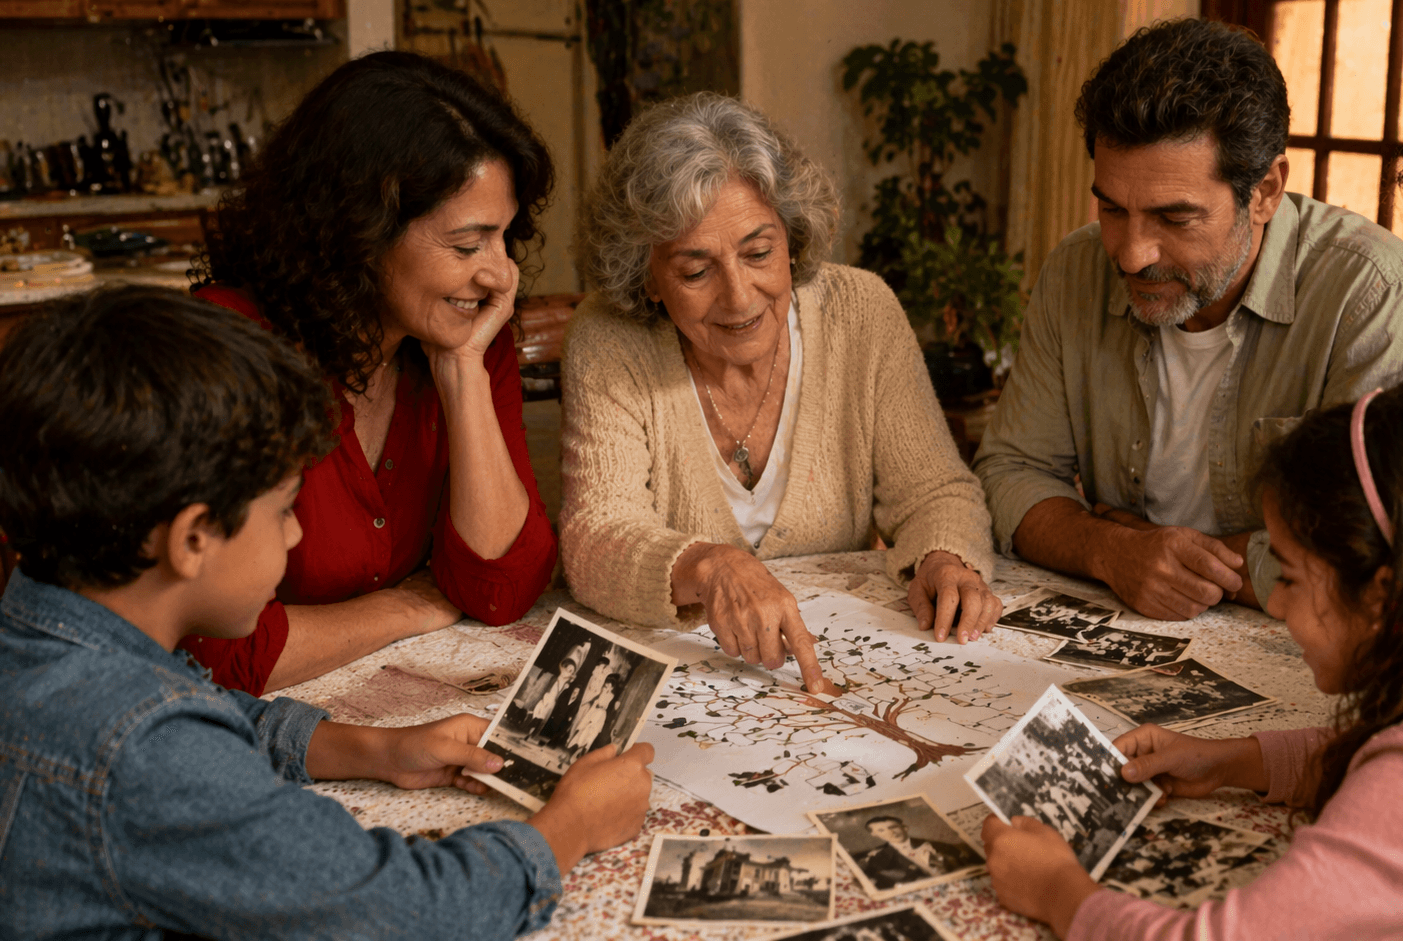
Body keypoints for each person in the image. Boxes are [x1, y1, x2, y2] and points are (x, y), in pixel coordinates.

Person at [0, 286, 654, 940]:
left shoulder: (46, 622)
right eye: (285, 509)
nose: (292, 537)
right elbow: (410, 912)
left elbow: (202, 709)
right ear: (192, 538)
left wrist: (375, 746)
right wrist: (568, 827)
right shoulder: (150, 750)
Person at [981, 378, 1403, 939]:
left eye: (1289, 576)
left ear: (1385, 596)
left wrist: (1060, 892)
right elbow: (1398, 766)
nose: (1275, 605)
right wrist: (1233, 759)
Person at [973, 18, 1403, 622]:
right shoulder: (1076, 269)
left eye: (1175, 218)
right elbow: (1010, 473)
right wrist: (1110, 546)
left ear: (1267, 191)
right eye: (1113, 208)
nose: (1131, 253)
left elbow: (1382, 550)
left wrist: (1165, 556)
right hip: (1122, 626)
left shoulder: (1372, 291)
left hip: (1311, 655)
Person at [562, 93, 1001, 692]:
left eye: (759, 252)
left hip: (834, 673)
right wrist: (711, 567)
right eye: (695, 272)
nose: (739, 297)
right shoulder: (610, 340)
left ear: (793, 241)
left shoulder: (861, 311)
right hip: (682, 682)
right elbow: (595, 538)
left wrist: (945, 558)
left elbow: (936, 490)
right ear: (648, 278)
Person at [186, 51, 559, 694]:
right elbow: (214, 654)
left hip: (385, 711)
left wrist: (464, 371)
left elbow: (503, 590)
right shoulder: (228, 350)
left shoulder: (467, 338)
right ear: (361, 229)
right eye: (468, 245)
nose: (500, 274)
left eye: (505, 237)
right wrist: (405, 608)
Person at [850, 816, 981, 889]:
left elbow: (972, 864)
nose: (891, 832)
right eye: (881, 830)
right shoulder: (876, 858)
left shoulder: (936, 846)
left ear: (905, 828)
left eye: (893, 827)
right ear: (874, 834)